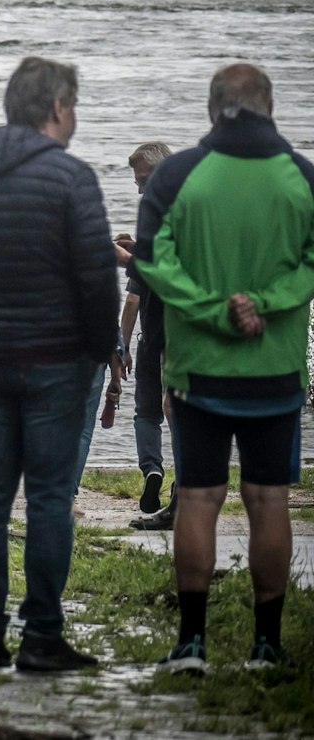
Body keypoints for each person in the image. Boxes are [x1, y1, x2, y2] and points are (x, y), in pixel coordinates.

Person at [0, 56, 118, 673]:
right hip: (57, 360)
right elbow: (97, 279)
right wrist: (99, 350)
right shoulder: (71, 178)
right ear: (58, 109)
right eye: (75, 107)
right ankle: (41, 636)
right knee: (48, 498)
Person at [134, 63, 312, 673]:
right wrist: (263, 306)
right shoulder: (302, 178)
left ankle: (192, 644)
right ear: (270, 108)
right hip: (275, 371)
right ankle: (267, 645)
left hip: (197, 372)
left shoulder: (178, 176)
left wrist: (213, 311)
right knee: (268, 502)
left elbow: (152, 263)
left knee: (199, 501)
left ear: (213, 110)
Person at [114, 141, 175, 529]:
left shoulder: (171, 210)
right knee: (166, 411)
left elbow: (167, 275)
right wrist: (138, 251)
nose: (139, 190)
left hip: (170, 331)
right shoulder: (163, 211)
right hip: (160, 330)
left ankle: (163, 480)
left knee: (160, 412)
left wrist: (128, 260)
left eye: (143, 180)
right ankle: (176, 497)